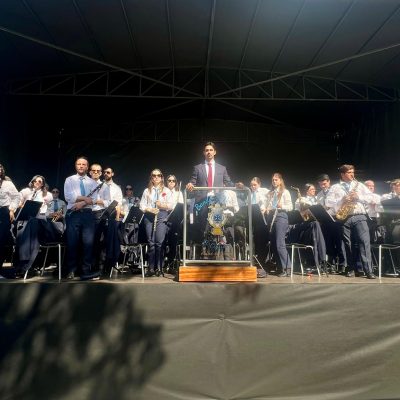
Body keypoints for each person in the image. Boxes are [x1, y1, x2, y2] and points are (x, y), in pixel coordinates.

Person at [325, 164, 376, 279]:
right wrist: (342, 200)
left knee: (364, 242)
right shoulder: (335, 187)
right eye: (349, 172)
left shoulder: (360, 185)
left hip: (359, 216)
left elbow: (371, 198)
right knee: (347, 244)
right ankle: (351, 269)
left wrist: (358, 197)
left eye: (353, 172)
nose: (352, 174)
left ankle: (368, 270)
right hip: (344, 218)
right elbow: (328, 202)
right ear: (342, 174)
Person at [63, 156, 101, 281]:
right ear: (75, 166)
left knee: (88, 243)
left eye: (83, 164)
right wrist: (85, 199)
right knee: (72, 243)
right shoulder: (69, 180)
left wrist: (82, 203)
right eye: (78, 164)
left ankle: (86, 271)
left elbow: (94, 199)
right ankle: (71, 270)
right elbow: (68, 197)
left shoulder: (93, 182)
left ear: (87, 167)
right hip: (73, 214)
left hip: (87, 215)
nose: (81, 166)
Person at [14, 175, 54, 277]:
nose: (37, 183)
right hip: (25, 220)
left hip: (39, 221)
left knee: (33, 240)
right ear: (32, 182)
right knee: (22, 239)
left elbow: (48, 209)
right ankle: (21, 266)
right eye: (35, 181)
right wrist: (21, 204)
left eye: (40, 181)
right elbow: (17, 201)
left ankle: (27, 266)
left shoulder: (48, 195)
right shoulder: (26, 191)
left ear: (43, 184)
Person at [140, 169, 174, 276]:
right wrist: (149, 209)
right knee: (151, 243)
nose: (156, 177)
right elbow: (142, 205)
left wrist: (161, 205)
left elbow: (171, 205)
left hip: (162, 215)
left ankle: (159, 267)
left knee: (159, 242)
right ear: (151, 177)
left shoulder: (166, 190)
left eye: (158, 175)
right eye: (154, 175)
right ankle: (151, 268)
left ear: (161, 177)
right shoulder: (147, 190)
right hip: (149, 216)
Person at [316, 174, 346, 272]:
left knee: (339, 242)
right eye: (321, 184)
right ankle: (331, 264)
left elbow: (342, 202)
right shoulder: (319, 195)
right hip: (326, 220)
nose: (323, 186)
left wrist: (329, 207)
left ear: (329, 182)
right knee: (328, 243)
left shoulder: (336, 190)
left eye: (324, 184)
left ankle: (343, 264)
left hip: (336, 218)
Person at [265, 173, 293, 277]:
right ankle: (280, 267)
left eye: (276, 180)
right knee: (273, 244)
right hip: (272, 218)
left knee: (279, 244)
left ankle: (287, 268)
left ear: (280, 181)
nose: (274, 181)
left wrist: (282, 206)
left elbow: (290, 207)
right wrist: (267, 209)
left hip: (281, 216)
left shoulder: (285, 192)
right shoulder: (271, 193)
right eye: (273, 180)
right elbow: (269, 205)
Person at [89, 163, 111, 274]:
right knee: (85, 241)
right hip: (86, 213)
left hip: (98, 213)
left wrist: (96, 201)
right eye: (94, 170)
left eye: (98, 171)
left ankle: (96, 267)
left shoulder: (104, 186)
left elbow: (108, 202)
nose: (96, 172)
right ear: (90, 172)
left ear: (101, 173)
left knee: (97, 241)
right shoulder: (85, 183)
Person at [0, 164, 20, 275]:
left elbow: (16, 197)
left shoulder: (7, 183)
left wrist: (12, 210)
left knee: (1, 239)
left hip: (3, 211)